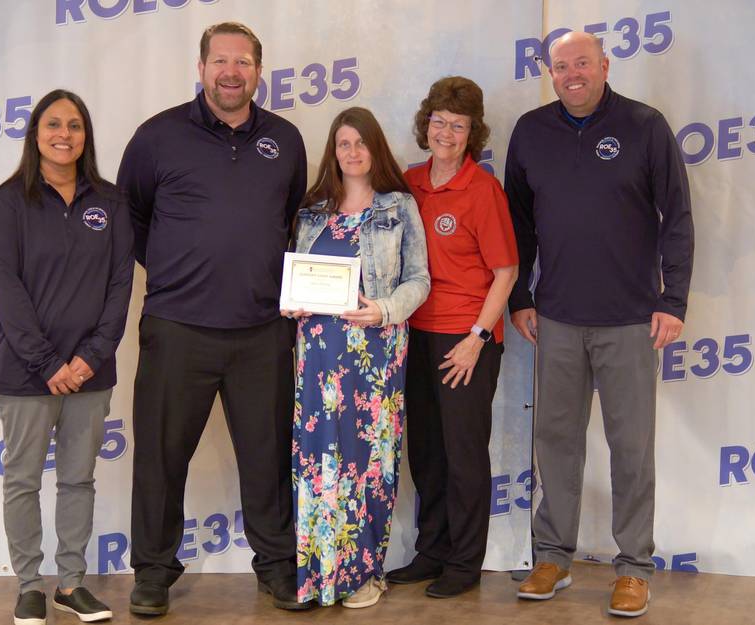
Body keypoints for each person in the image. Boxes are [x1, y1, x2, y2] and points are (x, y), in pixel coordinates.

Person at [117, 22, 308, 615]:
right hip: (178, 327)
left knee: (268, 456)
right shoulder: (157, 137)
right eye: (221, 60)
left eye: (244, 61)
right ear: (201, 68)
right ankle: (152, 571)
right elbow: (132, 220)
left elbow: (292, 221)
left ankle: (276, 566)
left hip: (262, 331)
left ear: (258, 71)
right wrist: (181, 271)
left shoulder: (287, 139)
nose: (232, 71)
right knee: (160, 455)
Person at [504, 32, 694, 618]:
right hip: (556, 317)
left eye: (582, 63)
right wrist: (519, 297)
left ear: (604, 65)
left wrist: (674, 299)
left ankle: (634, 565)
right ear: (550, 73)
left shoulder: (645, 125)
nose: (572, 74)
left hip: (632, 320)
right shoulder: (531, 131)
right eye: (561, 67)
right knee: (555, 444)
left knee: (631, 447)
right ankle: (553, 557)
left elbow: (677, 217)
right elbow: (517, 223)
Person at [0, 89, 134, 625]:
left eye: (74, 125)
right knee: (22, 480)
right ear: (35, 134)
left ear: (86, 135)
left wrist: (89, 359)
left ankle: (70, 583)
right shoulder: (8, 202)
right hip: (25, 374)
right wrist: (48, 364)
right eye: (53, 124)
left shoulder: (111, 203)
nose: (63, 134)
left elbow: (120, 287)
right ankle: (29, 585)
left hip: (90, 375)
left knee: (78, 479)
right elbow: (8, 292)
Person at [285, 107, 429, 609]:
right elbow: (294, 275)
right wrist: (291, 301)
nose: (352, 152)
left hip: (374, 356)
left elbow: (420, 280)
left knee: (367, 458)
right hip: (317, 358)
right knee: (320, 458)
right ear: (333, 150)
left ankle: (365, 572)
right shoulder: (311, 211)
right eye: (343, 143)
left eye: (360, 143)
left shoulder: (397, 207)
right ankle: (319, 573)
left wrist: (386, 309)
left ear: (375, 148)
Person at [386, 77, 518, 598]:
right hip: (413, 334)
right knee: (427, 452)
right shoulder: (406, 181)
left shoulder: (482, 190)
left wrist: (477, 338)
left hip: (465, 338)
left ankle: (464, 562)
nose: (446, 132)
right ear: (426, 124)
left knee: (463, 454)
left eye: (457, 125)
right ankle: (432, 550)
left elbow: (505, 271)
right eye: (438, 121)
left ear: (472, 133)